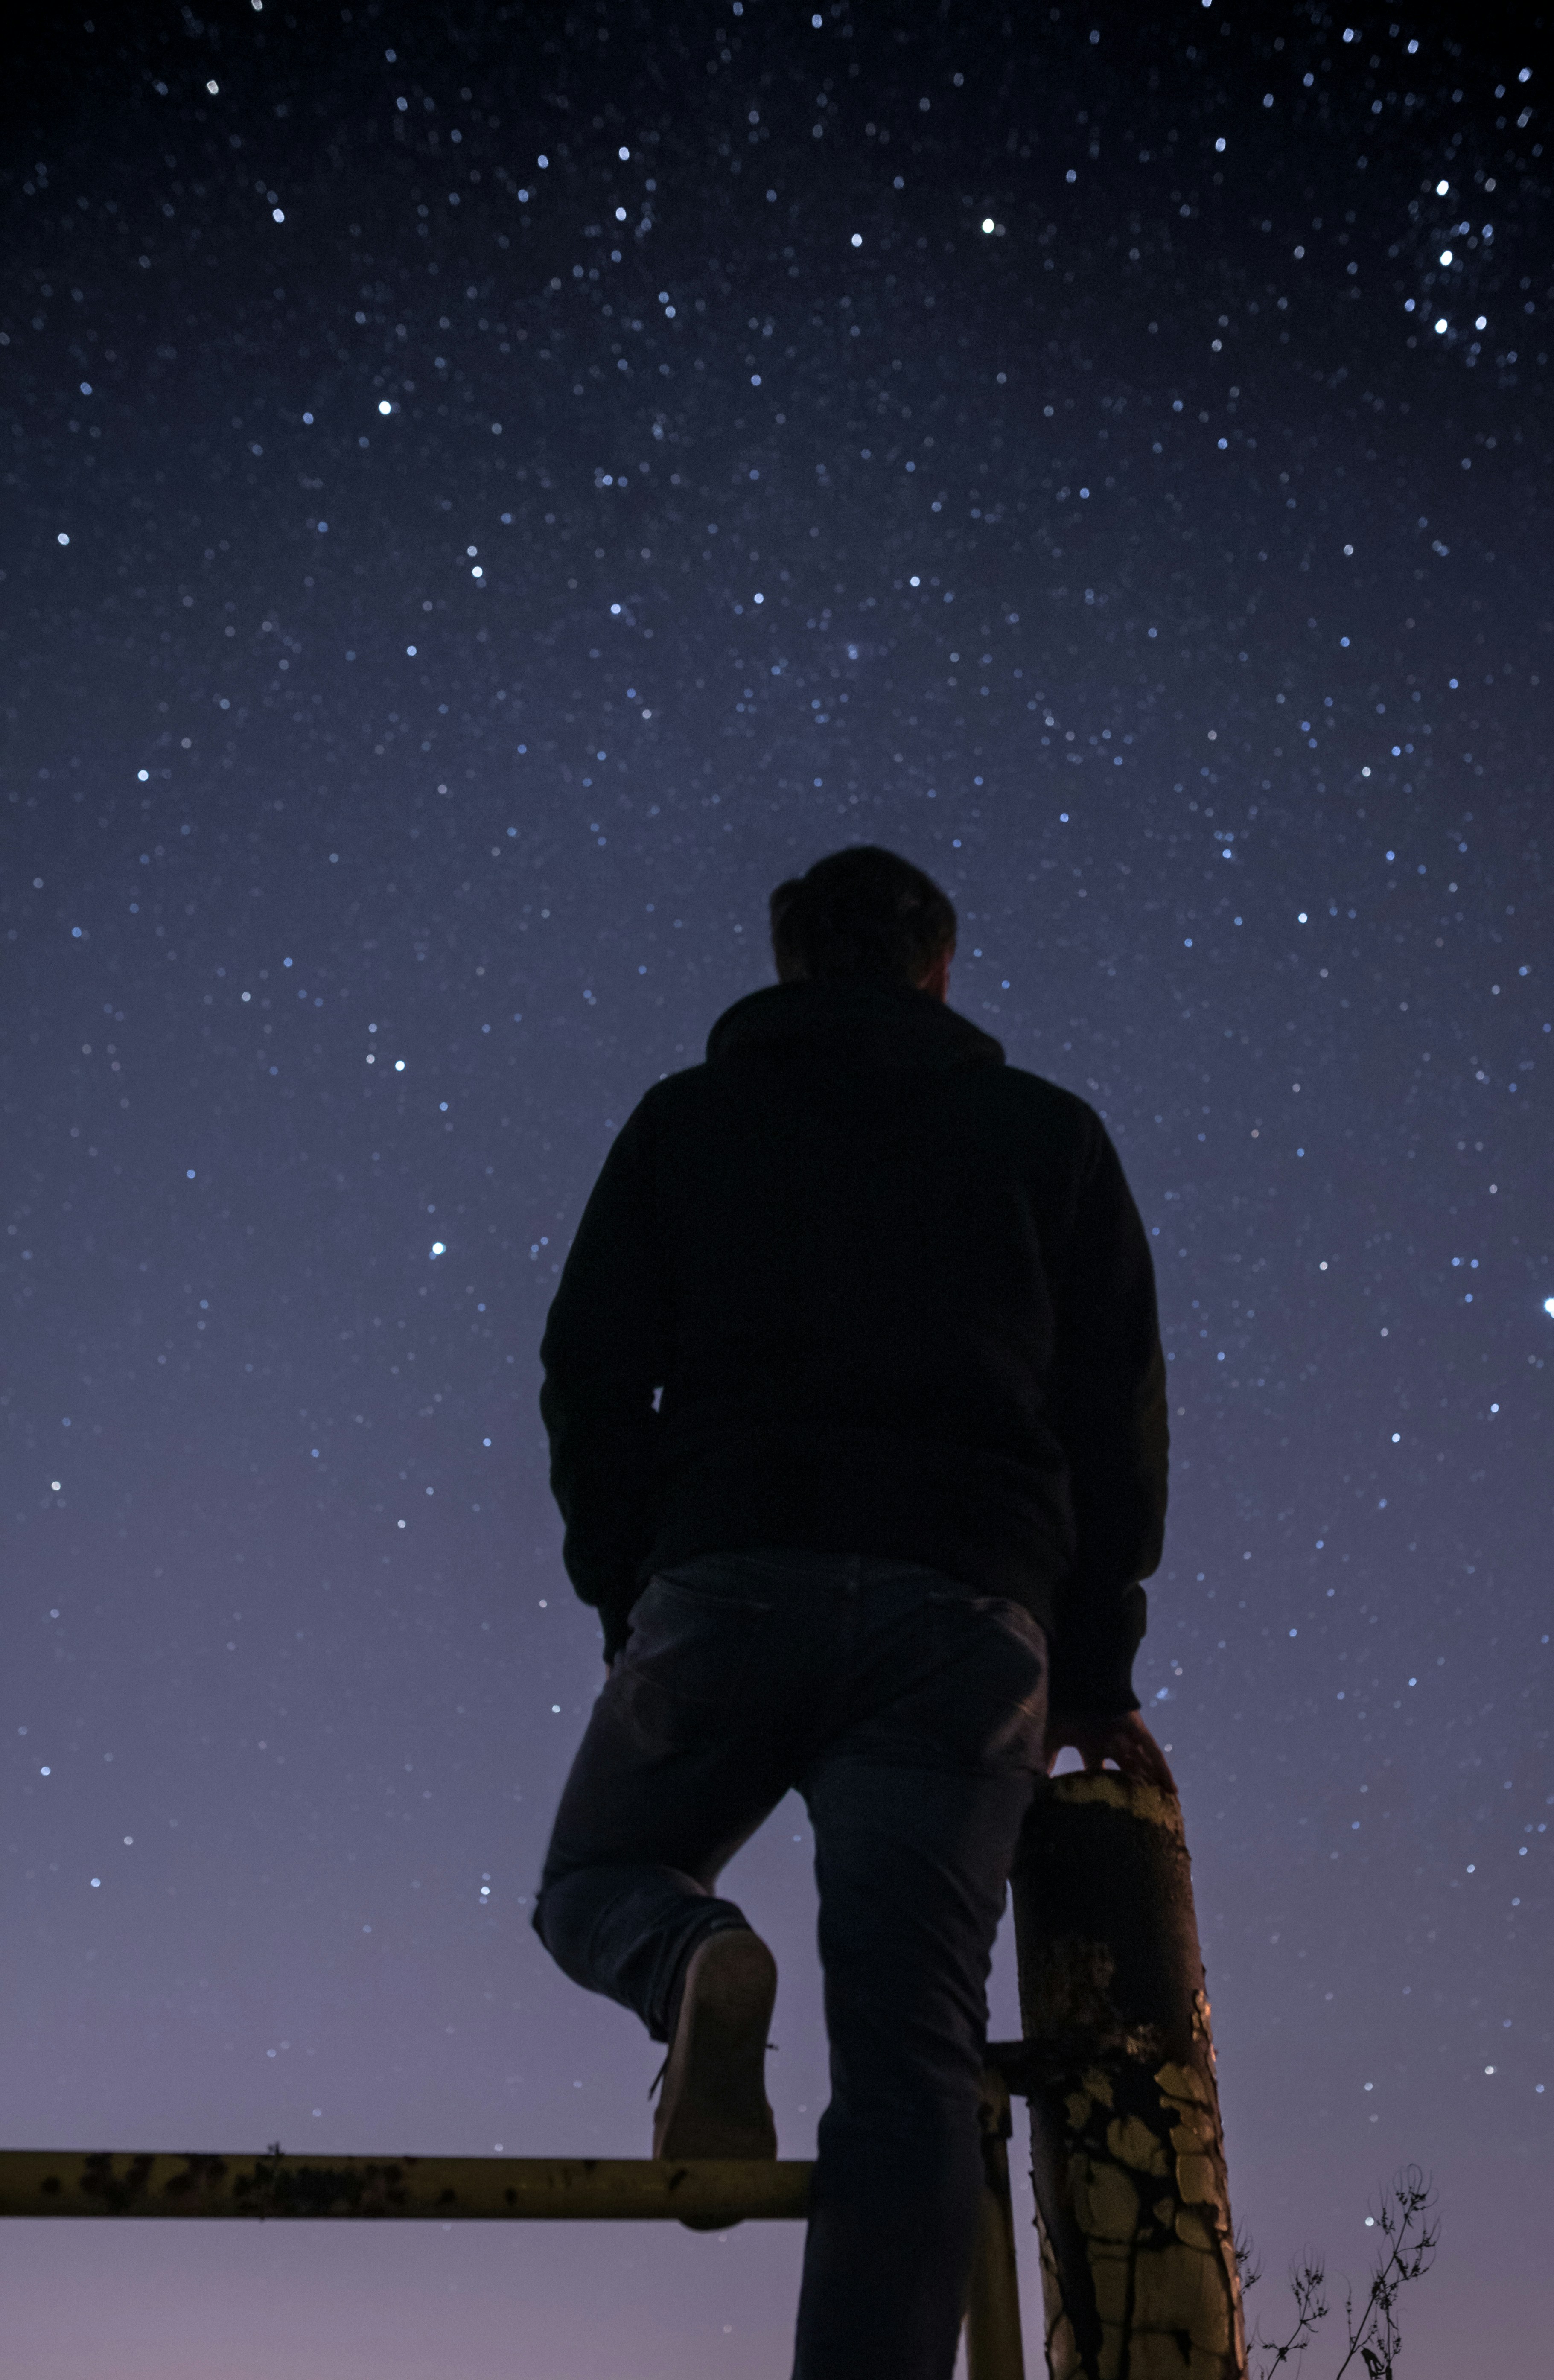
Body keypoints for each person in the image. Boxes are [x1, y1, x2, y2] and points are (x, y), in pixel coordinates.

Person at [532, 845, 1172, 2380]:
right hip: (966, 1622)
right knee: (912, 2060)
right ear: (942, 967)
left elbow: (588, 1369)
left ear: (787, 965)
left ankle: (689, 1959)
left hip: (731, 1571)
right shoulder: (1048, 1137)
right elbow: (1116, 1411)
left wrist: (634, 1586)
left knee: (602, 1875)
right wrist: (1096, 1665)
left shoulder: (689, 1121)